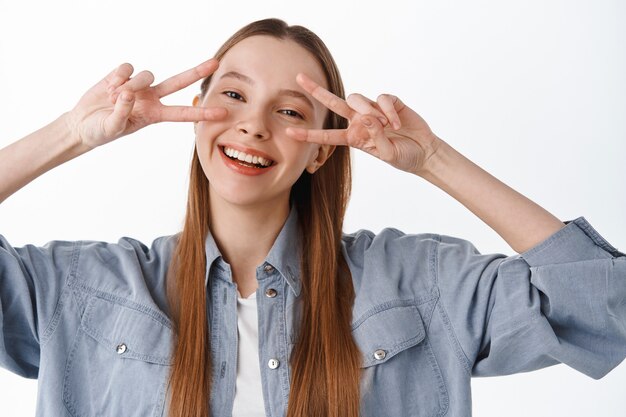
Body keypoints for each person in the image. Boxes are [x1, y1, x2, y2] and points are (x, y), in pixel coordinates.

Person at [0, 17, 624, 417]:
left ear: (325, 149)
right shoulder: (87, 290)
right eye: (235, 95)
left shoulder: (417, 283)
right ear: (195, 114)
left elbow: (602, 306)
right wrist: (71, 134)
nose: (254, 124)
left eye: (292, 112)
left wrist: (433, 159)